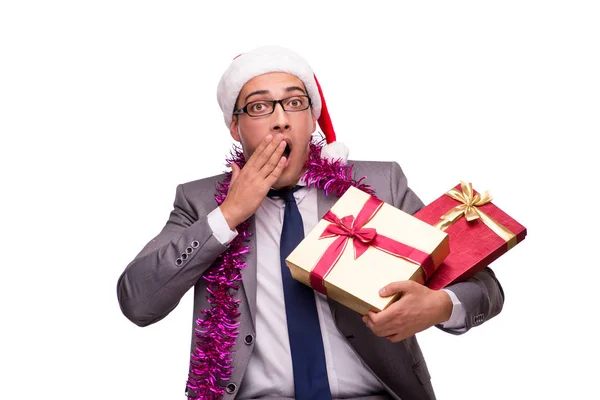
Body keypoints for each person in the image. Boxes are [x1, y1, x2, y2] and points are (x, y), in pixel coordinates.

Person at [117, 45, 504, 400]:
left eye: (295, 103)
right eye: (258, 107)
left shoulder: (379, 185)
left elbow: (484, 286)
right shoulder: (199, 201)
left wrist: (438, 306)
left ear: (313, 119)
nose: (281, 121)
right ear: (235, 127)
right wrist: (228, 215)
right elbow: (138, 302)